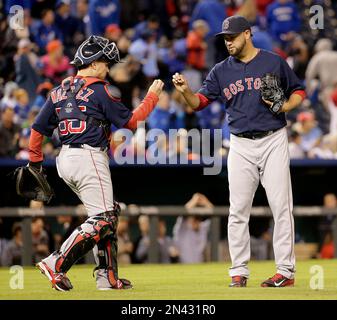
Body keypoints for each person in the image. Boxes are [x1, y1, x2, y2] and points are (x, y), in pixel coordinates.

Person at [172, 16, 305, 287]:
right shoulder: (221, 70)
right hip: (240, 144)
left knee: (281, 208)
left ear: (248, 33)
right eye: (225, 38)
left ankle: (286, 272)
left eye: (232, 36)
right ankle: (239, 271)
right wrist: (186, 92)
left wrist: (285, 107)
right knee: (238, 210)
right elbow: (199, 103)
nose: (228, 41)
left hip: (273, 139)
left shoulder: (273, 61)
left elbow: (299, 91)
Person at [30, 35, 164, 291]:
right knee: (103, 218)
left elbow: (38, 129)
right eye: (105, 63)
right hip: (88, 156)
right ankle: (56, 262)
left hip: (65, 159)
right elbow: (132, 122)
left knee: (108, 214)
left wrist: (35, 164)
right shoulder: (99, 89)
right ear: (92, 63)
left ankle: (107, 278)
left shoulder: (59, 90)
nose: (107, 69)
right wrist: (152, 97)